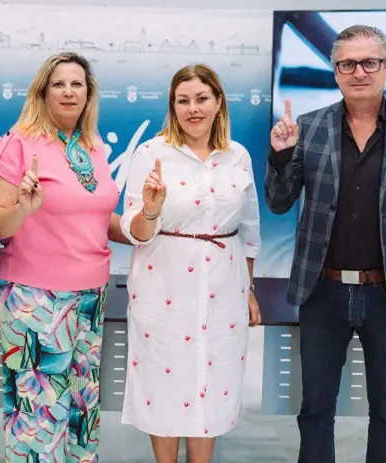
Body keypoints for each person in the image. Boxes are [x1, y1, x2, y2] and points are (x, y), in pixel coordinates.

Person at [265, 25, 386, 463]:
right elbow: (278, 201)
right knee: (316, 409)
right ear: (335, 71)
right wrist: (282, 155)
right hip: (322, 292)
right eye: (348, 64)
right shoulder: (309, 128)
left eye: (370, 62)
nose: (359, 72)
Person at [0, 51, 128, 462]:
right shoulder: (17, 144)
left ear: (89, 94)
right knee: (39, 419)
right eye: (59, 84)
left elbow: (96, 217)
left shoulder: (92, 147)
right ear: (43, 92)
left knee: (83, 411)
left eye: (77, 84)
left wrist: (146, 224)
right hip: (34, 299)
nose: (68, 91)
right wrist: (23, 209)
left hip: (89, 297)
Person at [119, 63, 262, 463]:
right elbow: (135, 232)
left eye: (201, 99)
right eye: (183, 101)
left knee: (212, 384)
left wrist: (249, 291)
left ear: (218, 102)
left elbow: (249, 233)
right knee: (164, 384)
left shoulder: (238, 156)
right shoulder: (151, 153)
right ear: (173, 106)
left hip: (224, 289)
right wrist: (150, 210)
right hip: (162, 288)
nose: (192, 108)